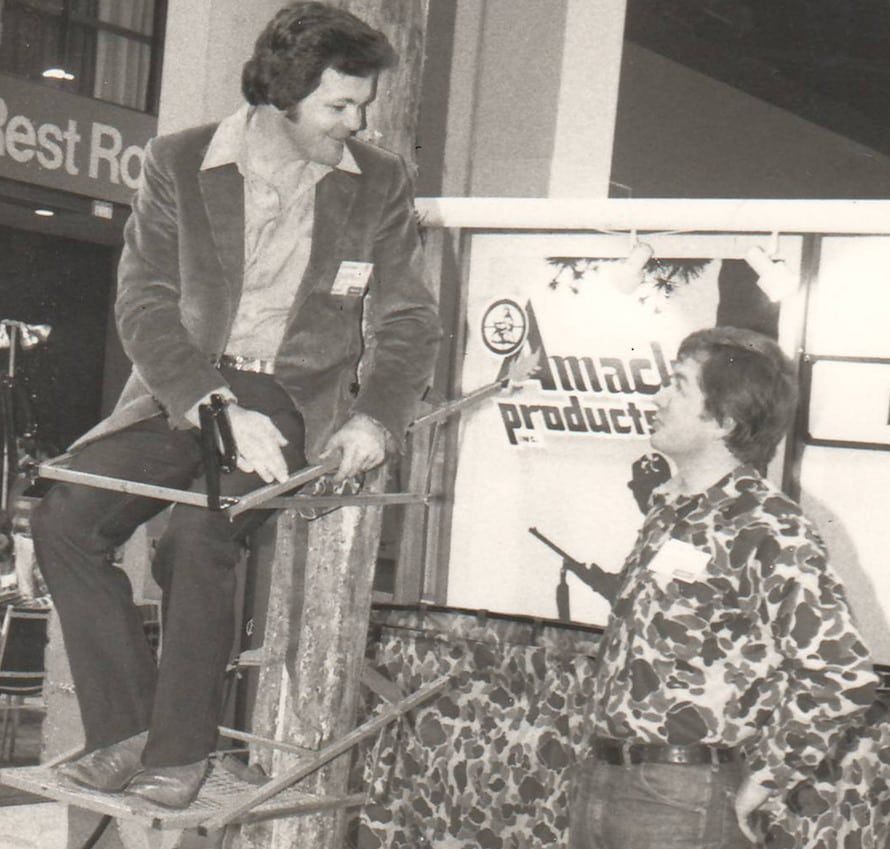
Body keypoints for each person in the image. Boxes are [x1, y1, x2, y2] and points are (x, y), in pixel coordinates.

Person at [31, 1, 440, 809]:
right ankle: (122, 733)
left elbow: (408, 323)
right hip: (182, 390)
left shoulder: (380, 183)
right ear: (280, 95)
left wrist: (374, 416)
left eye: (363, 105)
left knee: (197, 533)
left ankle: (180, 749)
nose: (357, 122)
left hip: (288, 398)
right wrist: (210, 403)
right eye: (339, 105)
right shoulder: (179, 162)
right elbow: (144, 305)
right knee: (65, 519)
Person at [566, 326, 877, 849]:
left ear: (724, 421)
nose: (658, 397)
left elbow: (841, 675)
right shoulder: (669, 509)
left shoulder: (769, 526)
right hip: (603, 778)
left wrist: (766, 779)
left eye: (679, 386)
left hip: (682, 799)